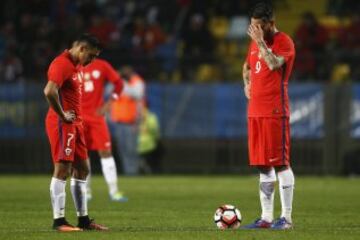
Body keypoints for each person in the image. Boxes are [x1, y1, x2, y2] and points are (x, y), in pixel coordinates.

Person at [44, 34, 108, 231]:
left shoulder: (78, 66)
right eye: (91, 55)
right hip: (63, 124)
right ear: (81, 49)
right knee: (62, 169)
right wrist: (63, 115)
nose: (92, 60)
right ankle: (59, 221)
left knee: (83, 169)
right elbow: (49, 91)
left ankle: (83, 221)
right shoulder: (61, 64)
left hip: (76, 124)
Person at [241, 3, 295, 230]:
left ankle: (286, 218)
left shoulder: (284, 42)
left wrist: (261, 42)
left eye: (260, 27)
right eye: (253, 26)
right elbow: (246, 67)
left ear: (271, 24)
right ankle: (265, 218)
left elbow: (273, 64)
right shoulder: (254, 43)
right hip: (255, 111)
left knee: (281, 164)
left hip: (275, 111)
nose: (255, 31)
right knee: (262, 165)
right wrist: (247, 84)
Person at [81, 58, 128, 202]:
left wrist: (109, 104)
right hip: (78, 118)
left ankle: (114, 192)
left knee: (106, 152)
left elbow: (119, 83)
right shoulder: (72, 66)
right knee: (82, 154)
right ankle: (85, 191)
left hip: (97, 118)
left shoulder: (101, 65)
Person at [110, 66, 145, 175]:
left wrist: (122, 82)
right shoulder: (119, 83)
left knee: (131, 149)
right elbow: (109, 93)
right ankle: (128, 172)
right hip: (119, 122)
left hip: (131, 123)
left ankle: (133, 172)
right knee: (122, 149)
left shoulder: (137, 81)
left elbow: (137, 94)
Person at [137, 104, 163, 174]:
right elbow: (155, 131)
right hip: (145, 145)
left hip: (147, 145)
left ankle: (148, 170)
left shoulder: (149, 117)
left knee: (149, 161)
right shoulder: (149, 117)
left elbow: (154, 130)